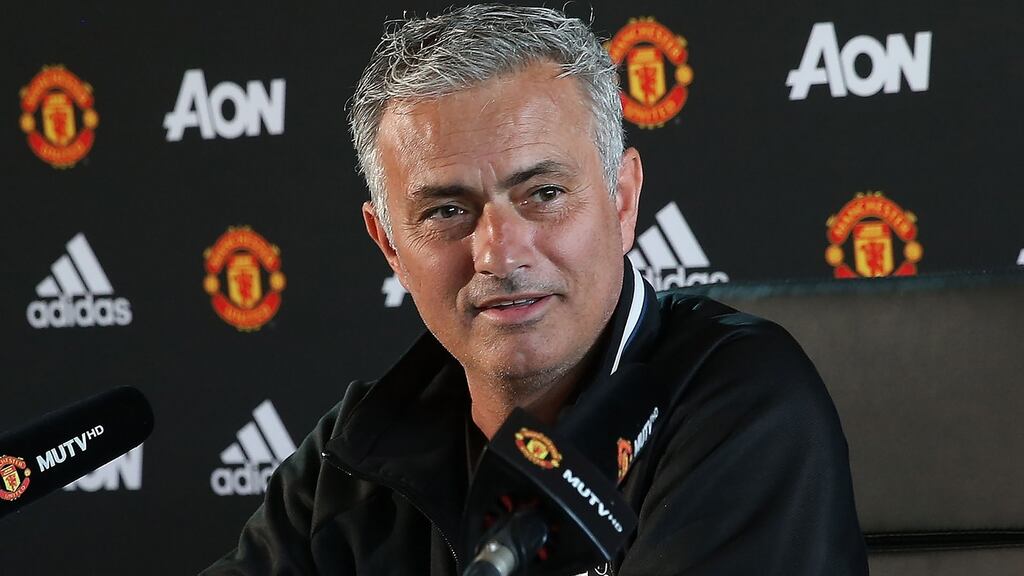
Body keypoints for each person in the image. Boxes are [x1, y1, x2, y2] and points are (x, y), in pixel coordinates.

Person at [202, 5, 868, 575]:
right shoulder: (353, 456)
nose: (499, 252)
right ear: (389, 246)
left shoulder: (743, 403)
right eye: (445, 212)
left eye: (544, 194)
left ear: (623, 200)